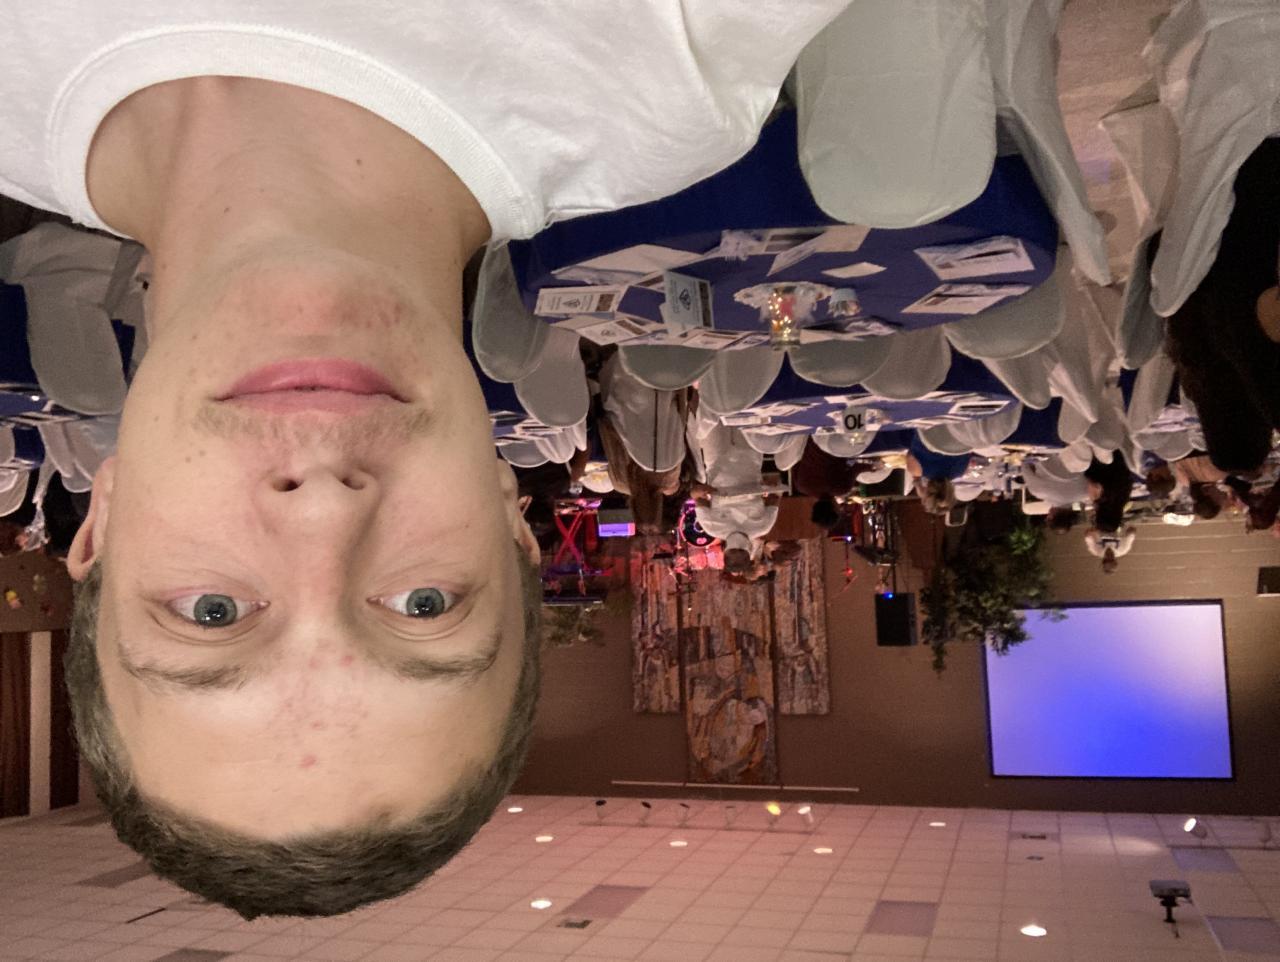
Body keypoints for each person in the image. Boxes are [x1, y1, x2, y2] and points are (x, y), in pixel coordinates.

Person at [0, 3, 852, 918]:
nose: (324, 508)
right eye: (425, 605)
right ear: (509, 519)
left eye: (213, 614)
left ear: (102, 524)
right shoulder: (673, 62)